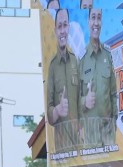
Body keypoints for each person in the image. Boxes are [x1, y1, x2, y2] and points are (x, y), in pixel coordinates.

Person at [79, 7, 118, 148]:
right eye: (93, 18)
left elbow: (113, 93)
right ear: (88, 21)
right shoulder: (81, 59)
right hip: (90, 138)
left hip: (108, 136)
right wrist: (84, 101)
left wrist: (115, 120)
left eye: (99, 18)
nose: (96, 22)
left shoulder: (108, 55)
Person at [46, 9, 80, 153]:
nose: (62, 31)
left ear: (69, 28)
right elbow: (49, 112)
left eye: (64, 25)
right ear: (55, 31)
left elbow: (82, 100)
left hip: (81, 147)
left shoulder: (76, 61)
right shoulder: (52, 67)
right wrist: (57, 111)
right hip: (62, 152)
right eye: (59, 26)